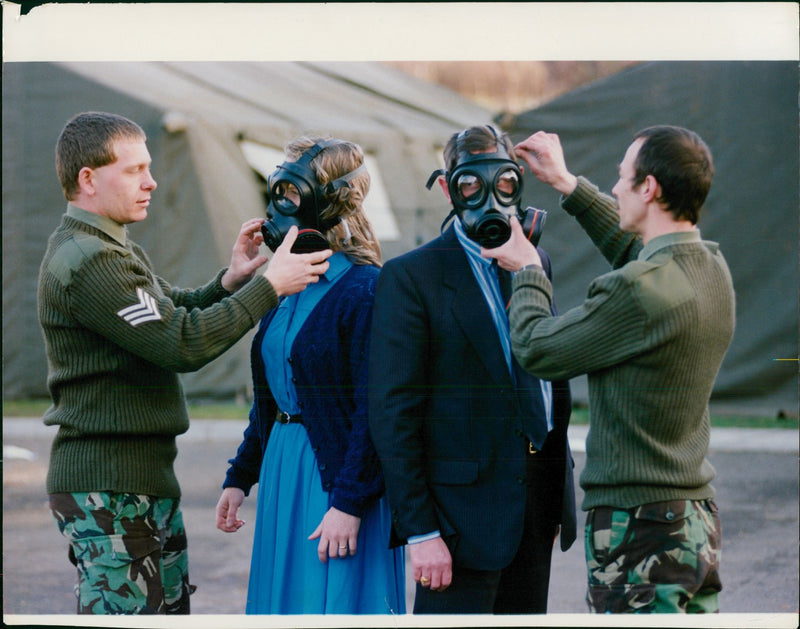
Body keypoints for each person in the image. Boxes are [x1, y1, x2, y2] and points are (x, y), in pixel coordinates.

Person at [38, 111, 332, 615]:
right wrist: (269, 286)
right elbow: (181, 343)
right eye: (132, 170)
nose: (150, 182)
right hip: (110, 490)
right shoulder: (92, 261)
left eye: (148, 167)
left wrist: (232, 281)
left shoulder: (110, 246)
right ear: (87, 179)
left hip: (136, 484)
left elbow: (170, 309)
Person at [484, 125, 735, 613]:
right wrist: (568, 184)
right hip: (694, 522)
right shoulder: (709, 268)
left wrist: (527, 271)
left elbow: (538, 348)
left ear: (649, 188)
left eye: (622, 178)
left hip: (638, 528)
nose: (616, 187)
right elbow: (641, 259)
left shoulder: (639, 291)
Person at [368, 124, 576, 614]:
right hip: (460, 522)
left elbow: (547, 378)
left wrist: (551, 499)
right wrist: (420, 531)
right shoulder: (411, 276)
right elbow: (393, 411)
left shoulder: (535, 259)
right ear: (446, 187)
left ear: (518, 179)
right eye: (469, 184)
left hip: (535, 508)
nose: (489, 197)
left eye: (503, 182)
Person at [215, 136, 406, 615]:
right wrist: (240, 477)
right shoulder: (284, 281)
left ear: (328, 199)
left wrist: (349, 504)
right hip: (284, 468)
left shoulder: (365, 289)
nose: (279, 204)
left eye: (291, 190)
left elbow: (376, 410)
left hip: (336, 482)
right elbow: (271, 398)